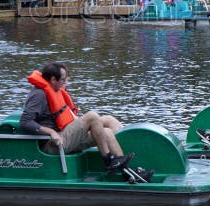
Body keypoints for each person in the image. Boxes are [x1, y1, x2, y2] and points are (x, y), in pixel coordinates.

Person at [19, 63, 151, 182]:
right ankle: (109, 160)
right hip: (52, 144)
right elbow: (25, 122)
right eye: (63, 79)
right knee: (92, 116)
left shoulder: (55, 90)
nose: (66, 82)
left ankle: (128, 173)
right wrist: (51, 132)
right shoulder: (39, 95)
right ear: (53, 79)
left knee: (107, 131)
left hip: (64, 136)